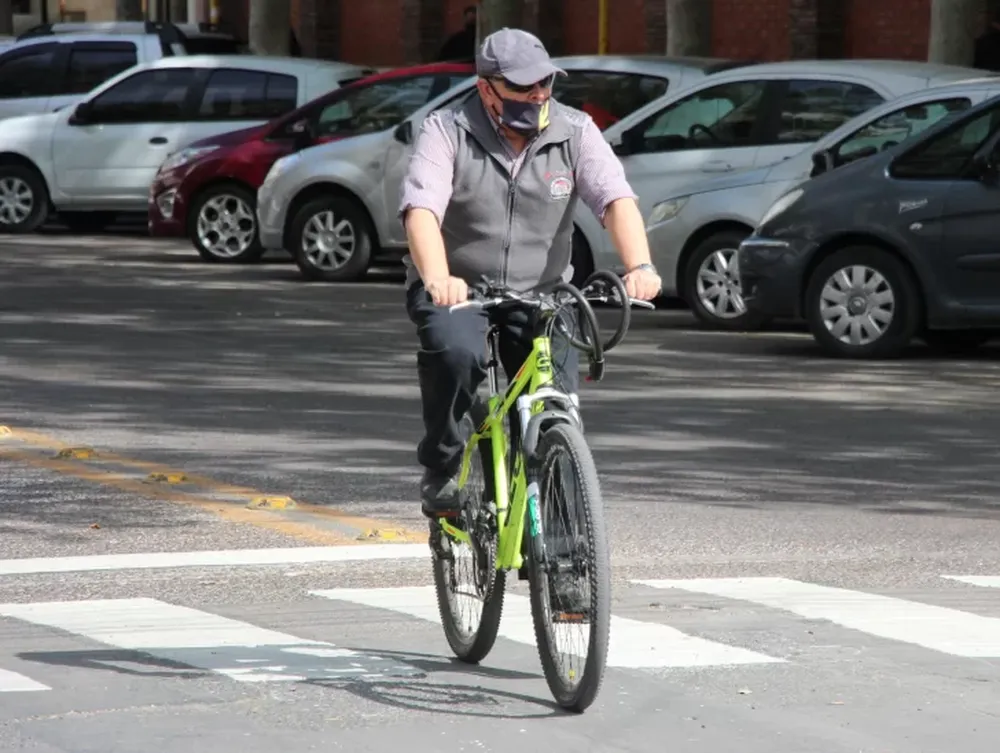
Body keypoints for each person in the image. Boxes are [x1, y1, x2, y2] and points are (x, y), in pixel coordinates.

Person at [399, 28, 661, 518]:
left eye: (545, 83)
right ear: (486, 88)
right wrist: (437, 276)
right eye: (522, 86)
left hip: (542, 294)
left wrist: (639, 265)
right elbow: (422, 211)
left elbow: (615, 200)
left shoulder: (575, 130)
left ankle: (565, 564)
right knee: (456, 354)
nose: (538, 95)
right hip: (461, 288)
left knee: (554, 410)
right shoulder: (446, 130)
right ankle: (443, 464)